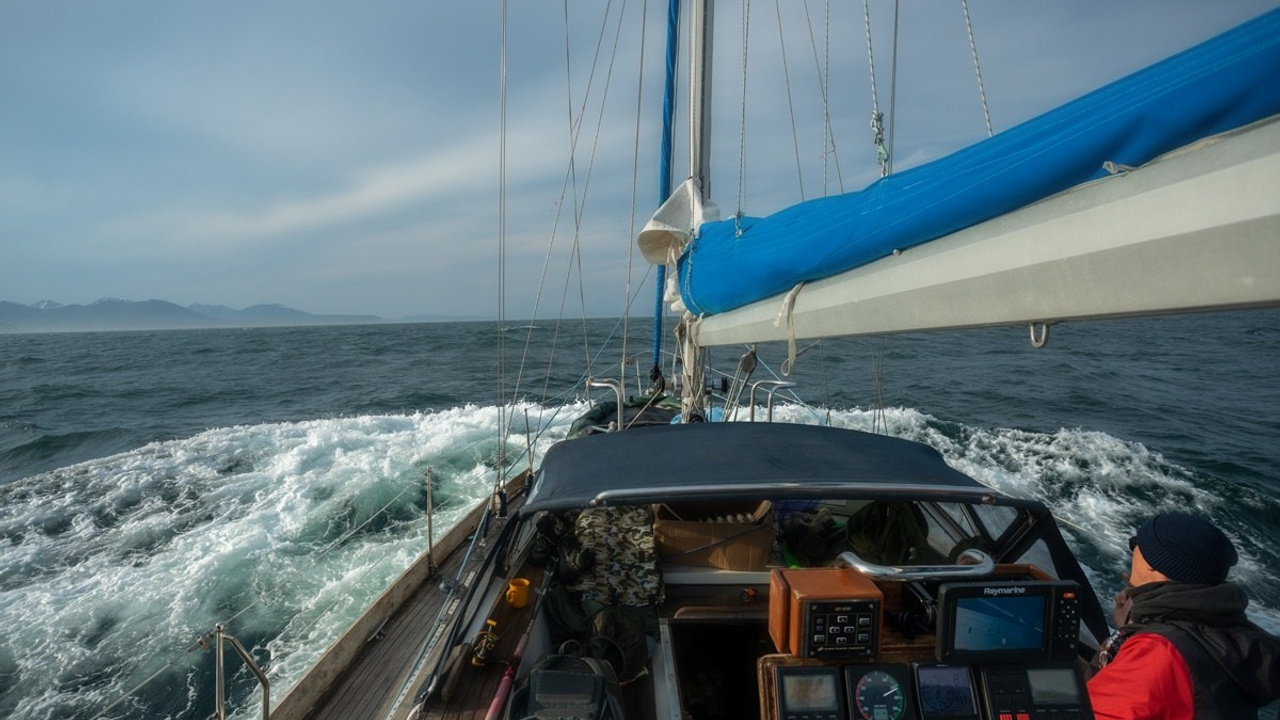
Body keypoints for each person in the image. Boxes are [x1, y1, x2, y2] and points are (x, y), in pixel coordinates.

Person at [1086, 511, 1280, 719]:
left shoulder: (1158, 650)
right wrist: (1134, 625)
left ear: (1154, 562)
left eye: (1135, 543)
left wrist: (1130, 633)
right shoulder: (1232, 635)